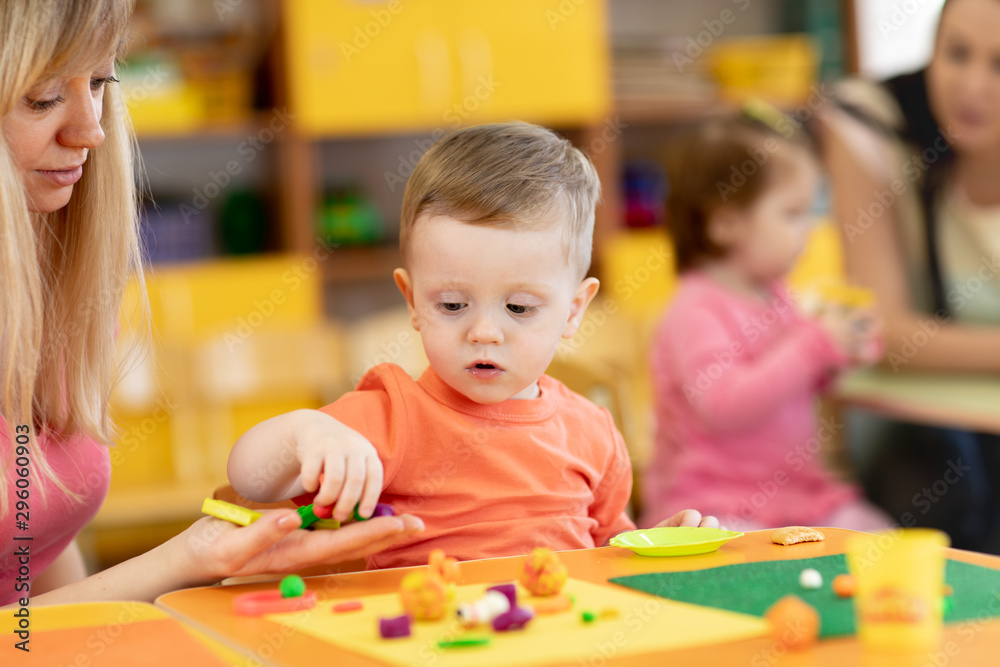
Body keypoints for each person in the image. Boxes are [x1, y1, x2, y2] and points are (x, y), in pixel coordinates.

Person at [0, 0, 422, 607]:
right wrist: (191, 559)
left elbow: (31, 551)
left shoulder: (53, 295)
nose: (91, 129)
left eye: (98, 82)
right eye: (41, 96)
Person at [227, 122, 718, 569]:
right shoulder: (392, 415)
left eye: (520, 308)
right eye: (454, 305)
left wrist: (655, 546)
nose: (484, 332)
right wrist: (308, 433)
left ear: (573, 310)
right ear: (412, 300)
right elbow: (251, 478)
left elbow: (608, 548)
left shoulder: (594, 432)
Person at [640, 115, 892, 533]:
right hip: (711, 504)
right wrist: (812, 347)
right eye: (792, 213)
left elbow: (790, 384)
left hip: (797, 496)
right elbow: (723, 406)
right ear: (725, 223)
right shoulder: (696, 310)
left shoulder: (776, 294)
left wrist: (839, 354)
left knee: (879, 539)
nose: (809, 230)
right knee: (739, 568)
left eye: (810, 211)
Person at [819, 0, 1000, 552]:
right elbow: (887, 332)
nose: (971, 86)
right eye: (956, 53)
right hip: (915, 423)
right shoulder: (874, 120)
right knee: (940, 496)